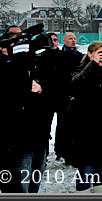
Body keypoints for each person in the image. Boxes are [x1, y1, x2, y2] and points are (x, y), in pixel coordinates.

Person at [0, 33, 51, 193]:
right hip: (15, 144)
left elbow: (54, 98)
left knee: (33, 187)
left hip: (38, 139)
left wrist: (41, 90)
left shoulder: (34, 67)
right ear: (3, 48)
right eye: (16, 44)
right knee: (18, 189)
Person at [67, 41, 102, 193]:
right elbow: (75, 85)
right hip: (84, 129)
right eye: (100, 53)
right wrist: (92, 64)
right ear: (90, 54)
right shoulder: (80, 69)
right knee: (85, 170)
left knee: (101, 169)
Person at [36, 33, 72, 162]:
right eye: (51, 40)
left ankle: (62, 152)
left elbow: (69, 75)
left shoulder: (65, 56)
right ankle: (43, 154)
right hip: (46, 97)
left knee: (64, 126)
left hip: (62, 95)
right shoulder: (41, 57)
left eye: (55, 40)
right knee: (44, 127)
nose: (54, 43)